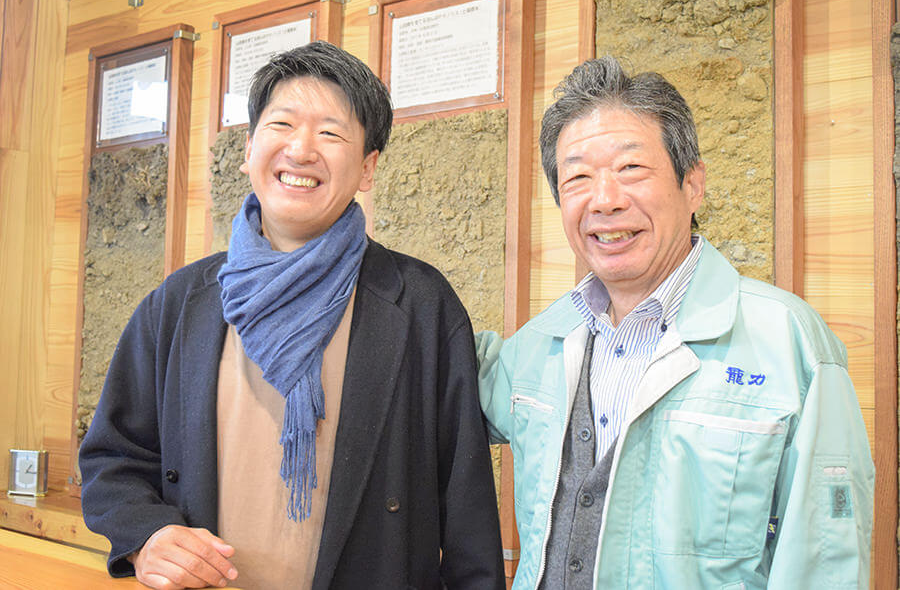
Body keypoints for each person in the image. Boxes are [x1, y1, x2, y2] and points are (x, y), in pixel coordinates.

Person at [80, 41, 504, 590]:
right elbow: (113, 457)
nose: (301, 149)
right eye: (281, 124)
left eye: (330, 133)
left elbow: (467, 506)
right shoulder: (181, 302)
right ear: (249, 148)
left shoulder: (422, 304)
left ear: (368, 167)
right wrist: (148, 534)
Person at [477, 56, 874, 589]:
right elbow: (433, 374)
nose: (605, 200)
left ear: (693, 185)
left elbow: (826, 561)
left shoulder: (789, 342)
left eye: (631, 169)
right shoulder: (538, 345)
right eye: (577, 178)